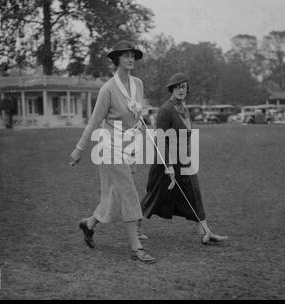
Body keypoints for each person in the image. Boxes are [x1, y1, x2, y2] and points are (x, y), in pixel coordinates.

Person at [70, 40, 156, 264]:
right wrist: (79, 148)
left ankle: (89, 224)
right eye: (125, 55)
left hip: (128, 146)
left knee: (115, 196)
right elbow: (94, 122)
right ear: (116, 59)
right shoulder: (107, 89)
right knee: (128, 192)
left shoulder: (138, 83)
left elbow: (136, 116)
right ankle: (136, 248)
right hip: (108, 147)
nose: (130, 59)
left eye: (133, 55)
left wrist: (139, 127)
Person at [141, 73, 228, 245]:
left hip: (184, 160)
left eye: (184, 87)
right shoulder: (165, 110)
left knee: (194, 192)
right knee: (155, 196)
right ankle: (135, 226)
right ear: (171, 89)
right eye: (177, 87)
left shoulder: (184, 108)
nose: (181, 90)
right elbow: (160, 139)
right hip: (166, 163)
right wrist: (168, 165)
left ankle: (205, 232)